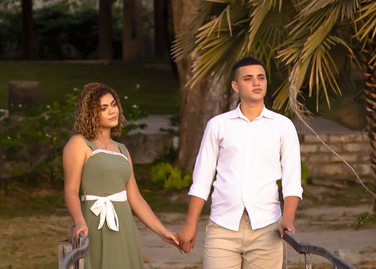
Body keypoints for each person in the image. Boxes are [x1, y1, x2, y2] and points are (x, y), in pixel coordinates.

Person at [174, 57, 302, 269]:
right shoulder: (218, 125)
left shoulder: (283, 126)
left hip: (267, 228)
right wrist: (190, 223)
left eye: (261, 78)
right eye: (248, 78)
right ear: (235, 85)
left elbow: (292, 178)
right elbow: (202, 178)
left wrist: (288, 217)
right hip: (222, 227)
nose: (256, 83)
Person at [63, 83, 182, 268]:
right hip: (95, 224)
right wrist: (79, 222)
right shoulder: (79, 144)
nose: (112, 111)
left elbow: (135, 198)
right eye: (103, 108)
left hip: (124, 225)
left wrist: (162, 231)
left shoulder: (123, 150)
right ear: (90, 113)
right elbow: (71, 190)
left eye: (113, 104)